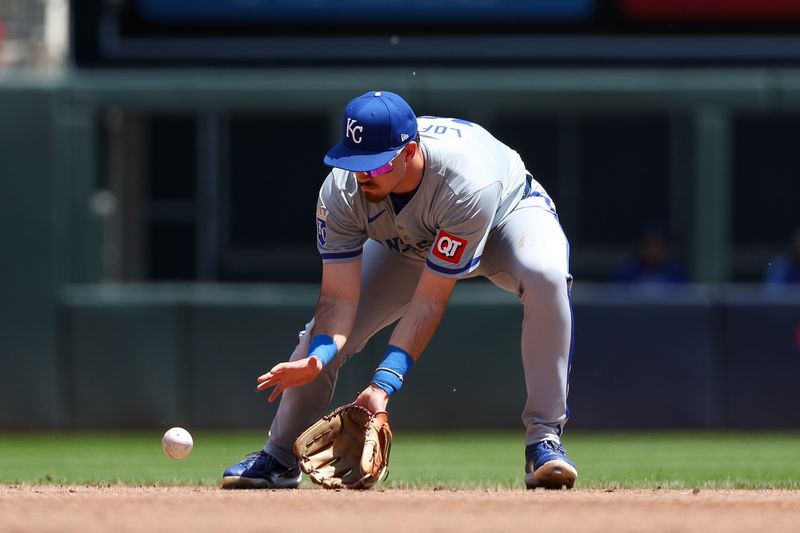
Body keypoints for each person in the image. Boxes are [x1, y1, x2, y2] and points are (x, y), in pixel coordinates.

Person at [222, 91, 577, 490]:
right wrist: (319, 358)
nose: (362, 173)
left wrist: (382, 386)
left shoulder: (467, 183)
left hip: (503, 215)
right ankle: (279, 456)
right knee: (313, 344)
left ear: (409, 152)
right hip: (405, 240)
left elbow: (430, 299)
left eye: (374, 163)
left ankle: (543, 439)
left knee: (546, 276)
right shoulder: (342, 190)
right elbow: (337, 300)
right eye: (354, 162)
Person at [612, 219, 689, 285]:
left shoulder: (676, 275)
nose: (653, 251)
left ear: (665, 248)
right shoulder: (626, 274)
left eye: (657, 245)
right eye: (649, 245)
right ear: (641, 246)